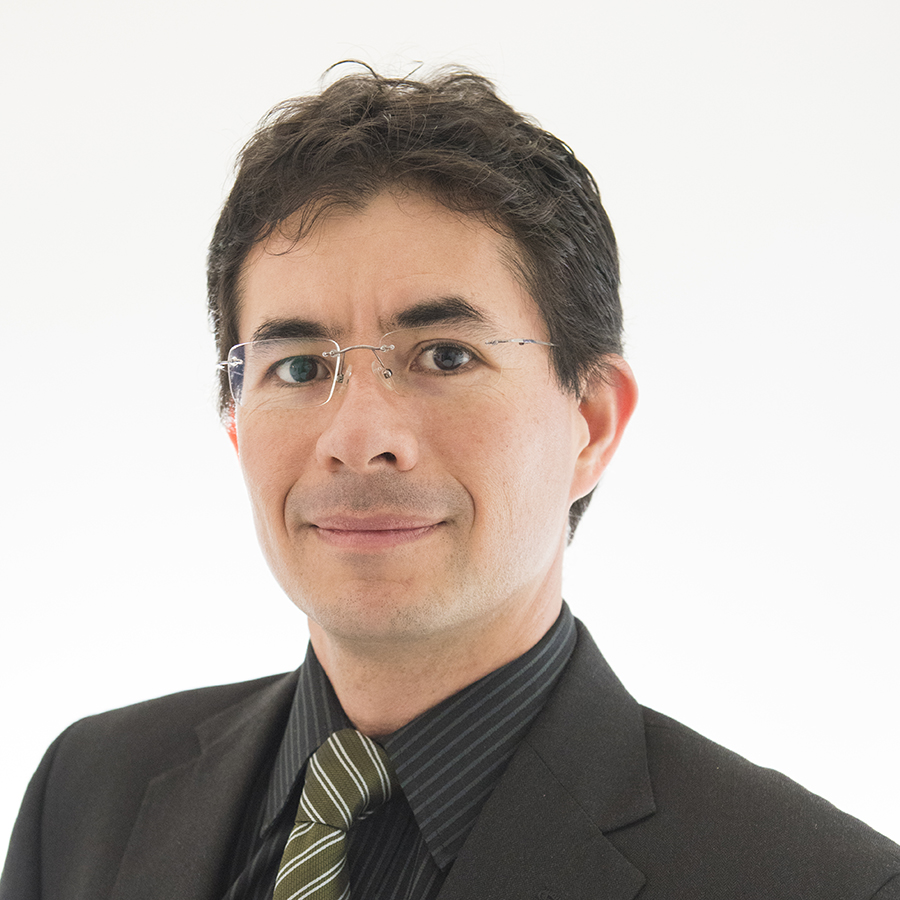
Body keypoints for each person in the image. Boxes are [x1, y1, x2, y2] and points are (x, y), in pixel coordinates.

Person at [2, 66, 898, 900]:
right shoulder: (87, 797)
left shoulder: (818, 883)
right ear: (235, 422)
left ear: (591, 422)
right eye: (300, 368)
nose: (359, 441)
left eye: (444, 356)